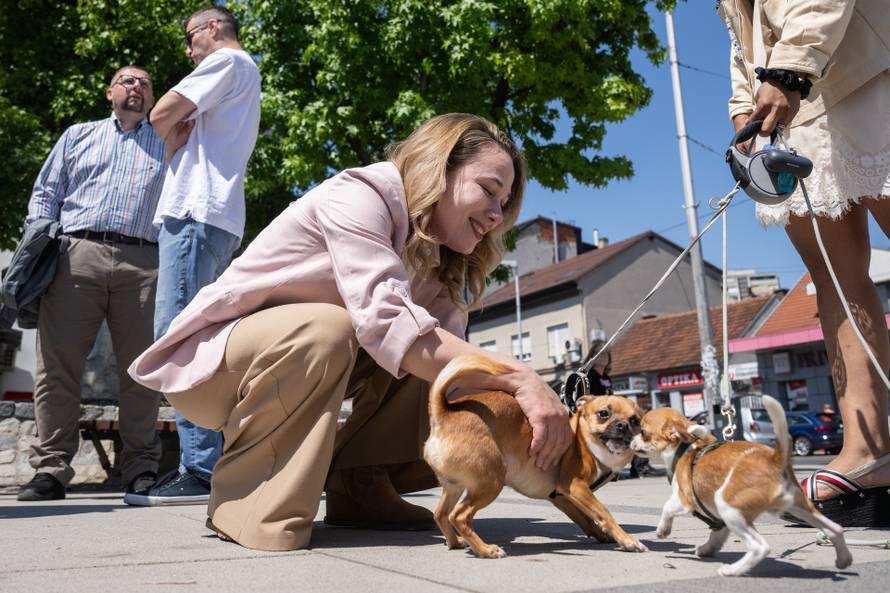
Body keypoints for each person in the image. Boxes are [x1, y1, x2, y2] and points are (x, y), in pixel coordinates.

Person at [128, 113, 573, 551]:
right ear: (440, 167)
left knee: (444, 360)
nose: (497, 214)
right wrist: (520, 376)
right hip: (214, 367)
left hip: (300, 361)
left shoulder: (440, 262)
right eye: (489, 191)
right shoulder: (362, 194)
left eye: (506, 202)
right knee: (335, 326)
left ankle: (359, 484)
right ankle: (247, 499)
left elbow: (442, 358)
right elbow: (386, 321)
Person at [718, 0, 890, 526]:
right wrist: (743, 109)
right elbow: (742, 37)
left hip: (865, 63)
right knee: (832, 275)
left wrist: (791, 66)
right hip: (794, 104)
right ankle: (869, 452)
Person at [124, 5, 261, 506]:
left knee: (177, 336)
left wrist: (170, 130)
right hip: (215, 218)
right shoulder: (244, 73)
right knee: (201, 336)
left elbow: (160, 114)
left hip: (195, 214)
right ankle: (211, 461)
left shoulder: (224, 63)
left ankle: (200, 467)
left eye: (189, 37)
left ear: (211, 29)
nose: (187, 50)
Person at [16, 65, 165, 501]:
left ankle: (140, 469)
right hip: (75, 254)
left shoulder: (170, 141)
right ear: (109, 92)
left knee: (142, 370)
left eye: (145, 83)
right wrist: (43, 241)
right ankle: (52, 469)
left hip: (144, 260)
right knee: (57, 367)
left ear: (153, 97)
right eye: (127, 80)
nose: (135, 87)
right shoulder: (78, 135)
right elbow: (46, 192)